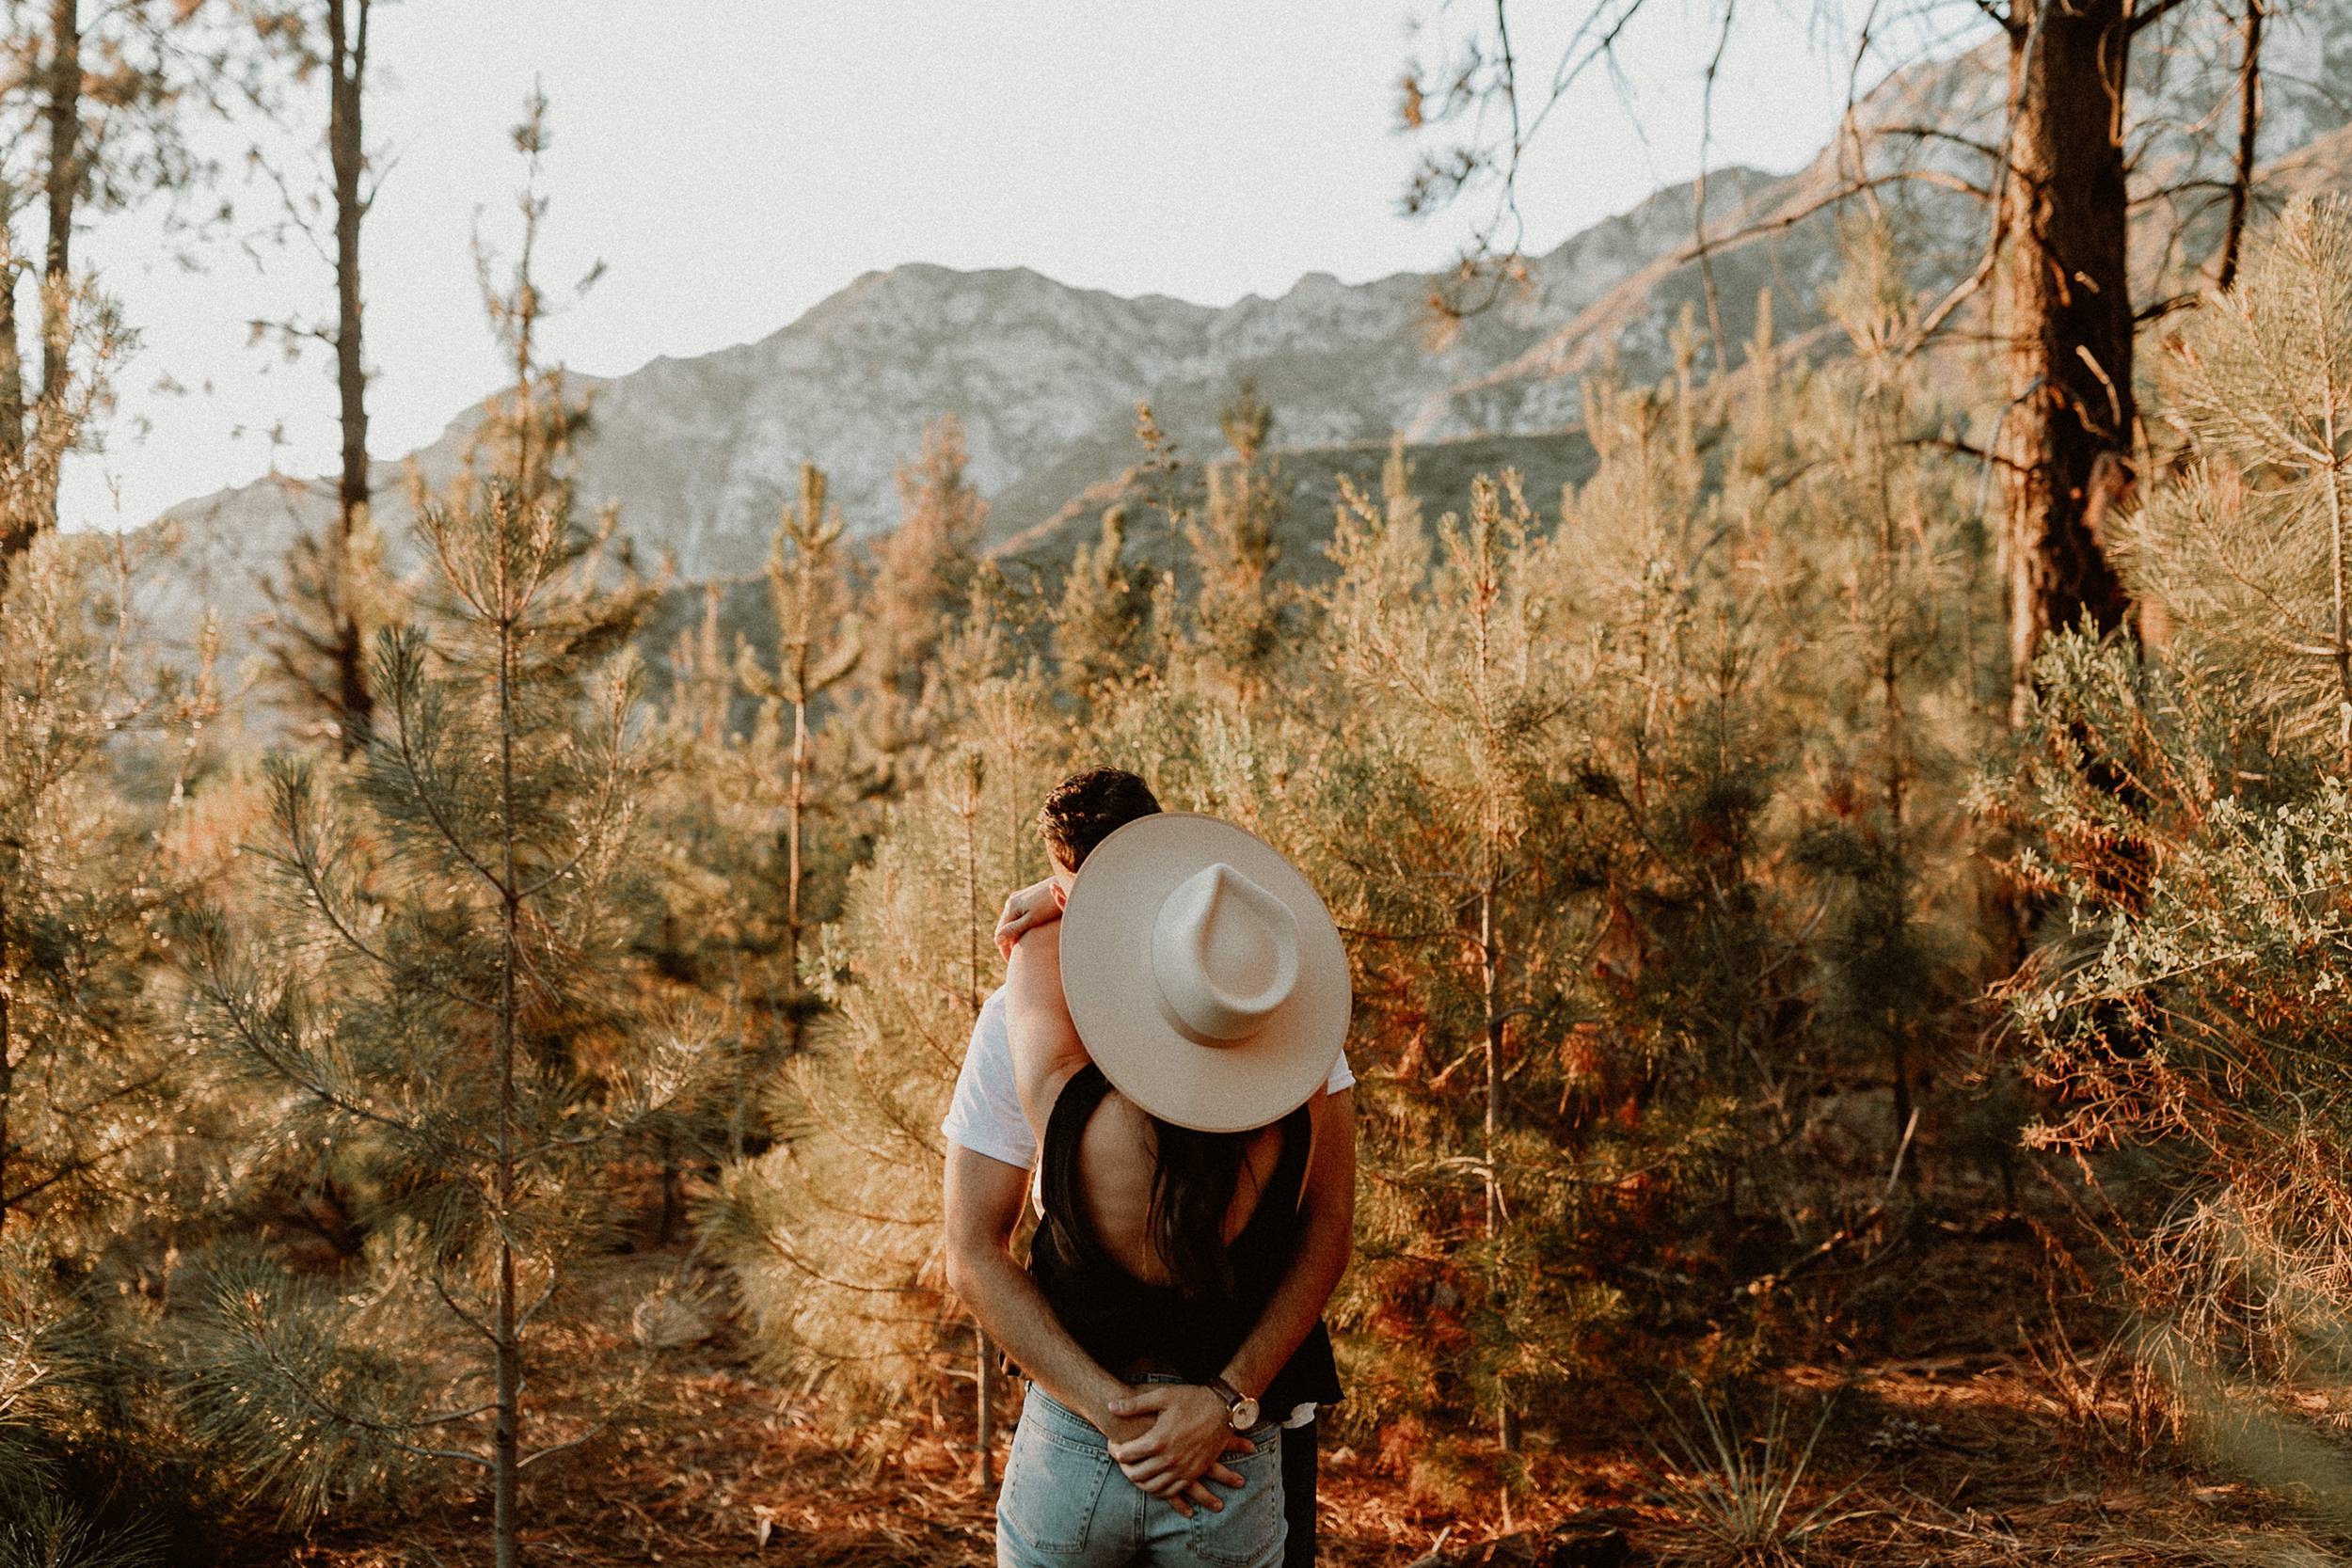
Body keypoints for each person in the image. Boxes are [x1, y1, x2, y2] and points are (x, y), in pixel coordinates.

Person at [942, 772, 1355, 1567]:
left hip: (1078, 1434)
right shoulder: (1289, 1028)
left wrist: (1109, 1410)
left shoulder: (1033, 1036)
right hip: (1235, 1443)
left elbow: (971, 1253)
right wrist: (1226, 1400)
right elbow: (1327, 1231)